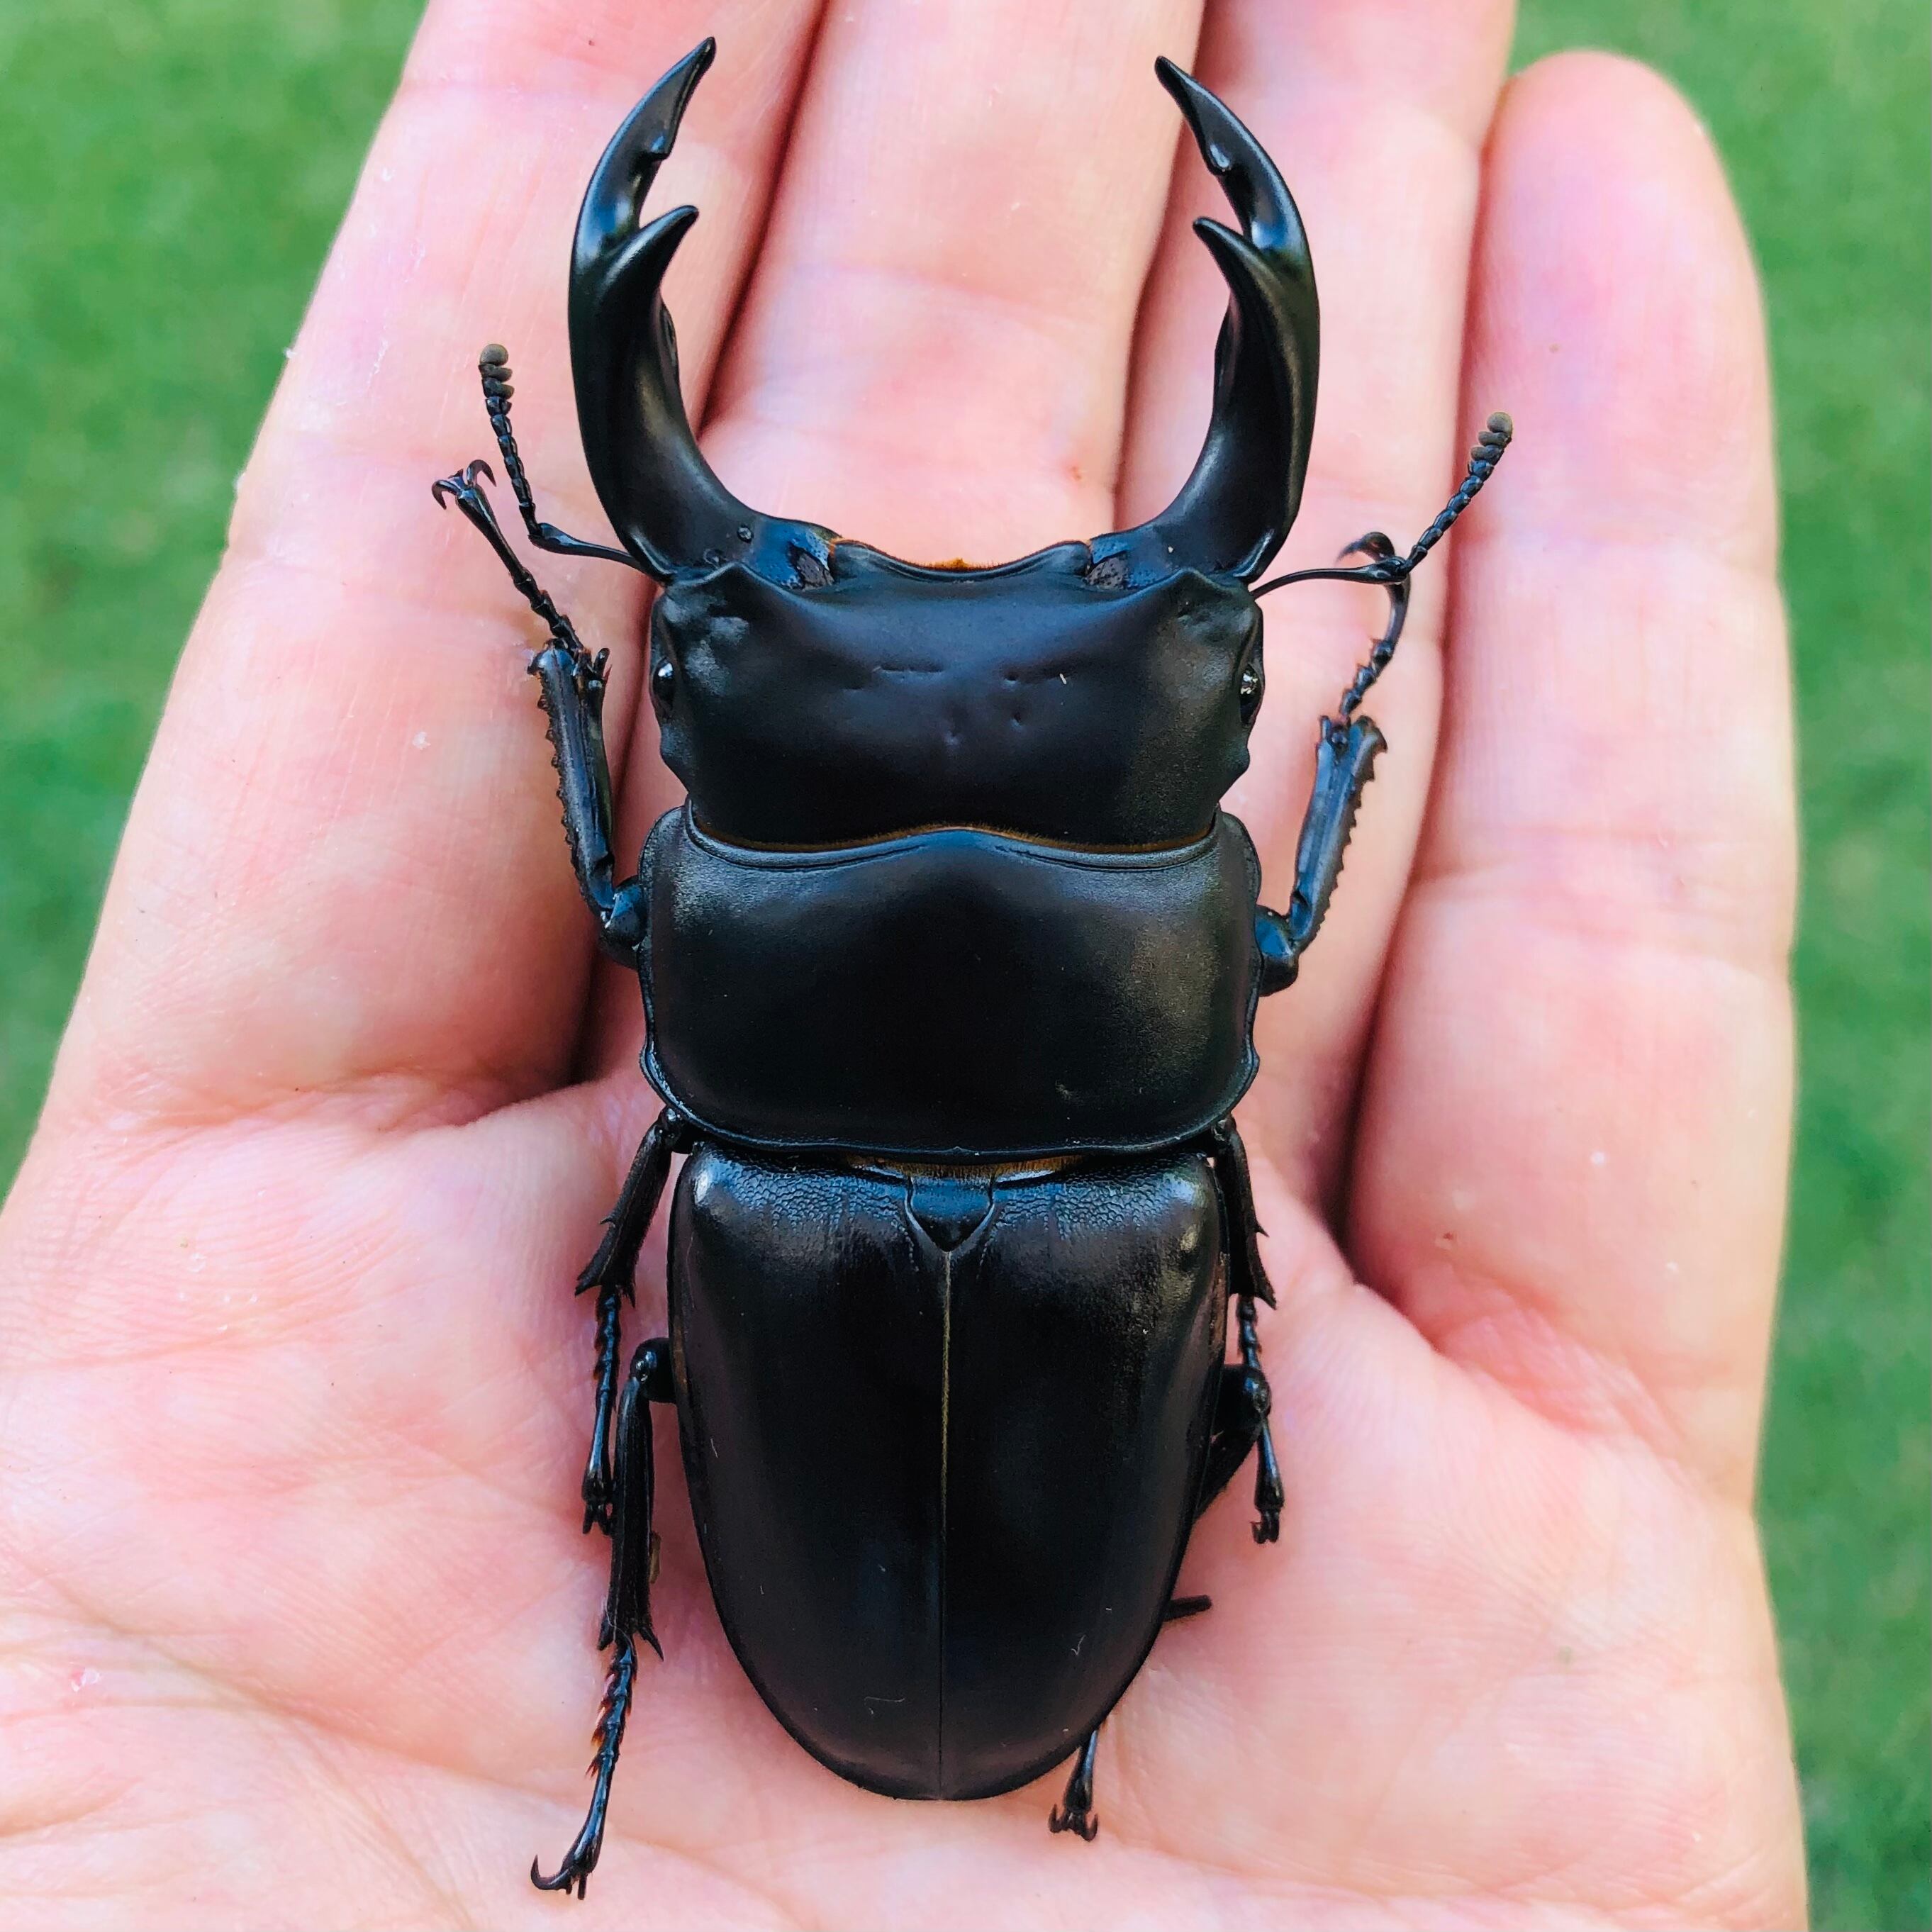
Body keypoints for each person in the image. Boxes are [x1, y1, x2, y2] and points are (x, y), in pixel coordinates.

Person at [0, 0, 1806, 1921]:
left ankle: (634, 1680)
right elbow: (1267, 944)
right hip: (1068, 1340)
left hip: (876, 1276)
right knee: (1151, 1347)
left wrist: (577, 642)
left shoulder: (728, 1135)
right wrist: (1338, 721)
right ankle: (858, 1674)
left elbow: (634, 924)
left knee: (658, 1344)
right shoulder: (1185, 1125)